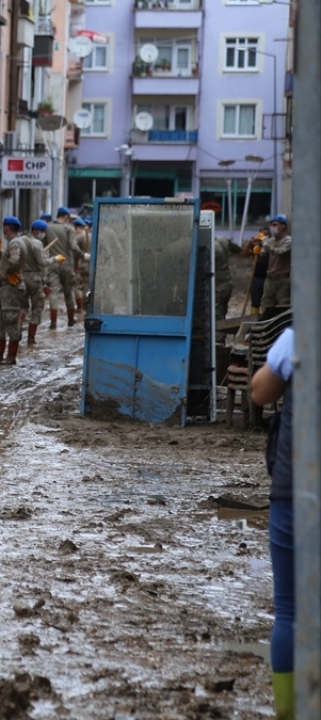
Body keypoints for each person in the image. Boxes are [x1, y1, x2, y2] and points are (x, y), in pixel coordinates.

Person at [250, 326, 296, 720]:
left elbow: (260, 392)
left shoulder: (300, 337)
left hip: (296, 491)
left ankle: (288, 711)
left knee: (289, 612)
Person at [0, 217, 26, 365]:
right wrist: (0, 251)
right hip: (5, 288)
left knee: (10, 321)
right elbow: (11, 258)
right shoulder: (14, 243)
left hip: (11, 287)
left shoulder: (15, 243)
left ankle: (11, 356)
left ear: (7, 228)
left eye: (4, 227)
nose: (3, 230)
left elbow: (14, 261)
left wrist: (10, 273)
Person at [46, 207, 78, 328]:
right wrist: (81, 255)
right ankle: (71, 320)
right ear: (65, 217)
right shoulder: (69, 228)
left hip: (53, 264)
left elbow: (44, 246)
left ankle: (53, 323)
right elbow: (73, 247)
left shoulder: (48, 228)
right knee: (69, 293)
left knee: (53, 293)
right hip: (67, 265)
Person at [22, 220, 51, 347]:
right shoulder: (37, 243)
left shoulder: (20, 240)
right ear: (35, 231)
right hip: (35, 279)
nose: (43, 234)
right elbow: (43, 263)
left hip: (21, 278)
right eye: (42, 231)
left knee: (21, 308)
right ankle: (31, 339)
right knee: (37, 308)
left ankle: (15, 337)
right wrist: (54, 259)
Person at [261, 214, 292, 309]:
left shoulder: (289, 241)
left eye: (275, 225)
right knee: (266, 305)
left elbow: (280, 252)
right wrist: (259, 247)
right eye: (271, 225)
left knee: (282, 304)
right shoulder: (270, 241)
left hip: (282, 279)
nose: (272, 228)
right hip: (270, 278)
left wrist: (266, 245)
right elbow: (262, 255)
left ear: (283, 226)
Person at [242, 226, 271, 314]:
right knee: (255, 301)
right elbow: (244, 253)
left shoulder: (271, 245)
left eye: (266, 234)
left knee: (268, 302)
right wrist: (250, 243)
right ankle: (254, 318)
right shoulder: (256, 246)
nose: (264, 236)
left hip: (269, 277)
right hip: (257, 277)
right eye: (262, 234)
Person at [214, 234, 233, 321]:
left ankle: (219, 334)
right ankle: (222, 332)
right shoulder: (222, 240)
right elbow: (237, 249)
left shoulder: (211, 247)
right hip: (227, 284)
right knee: (222, 311)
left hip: (218, 287)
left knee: (217, 316)